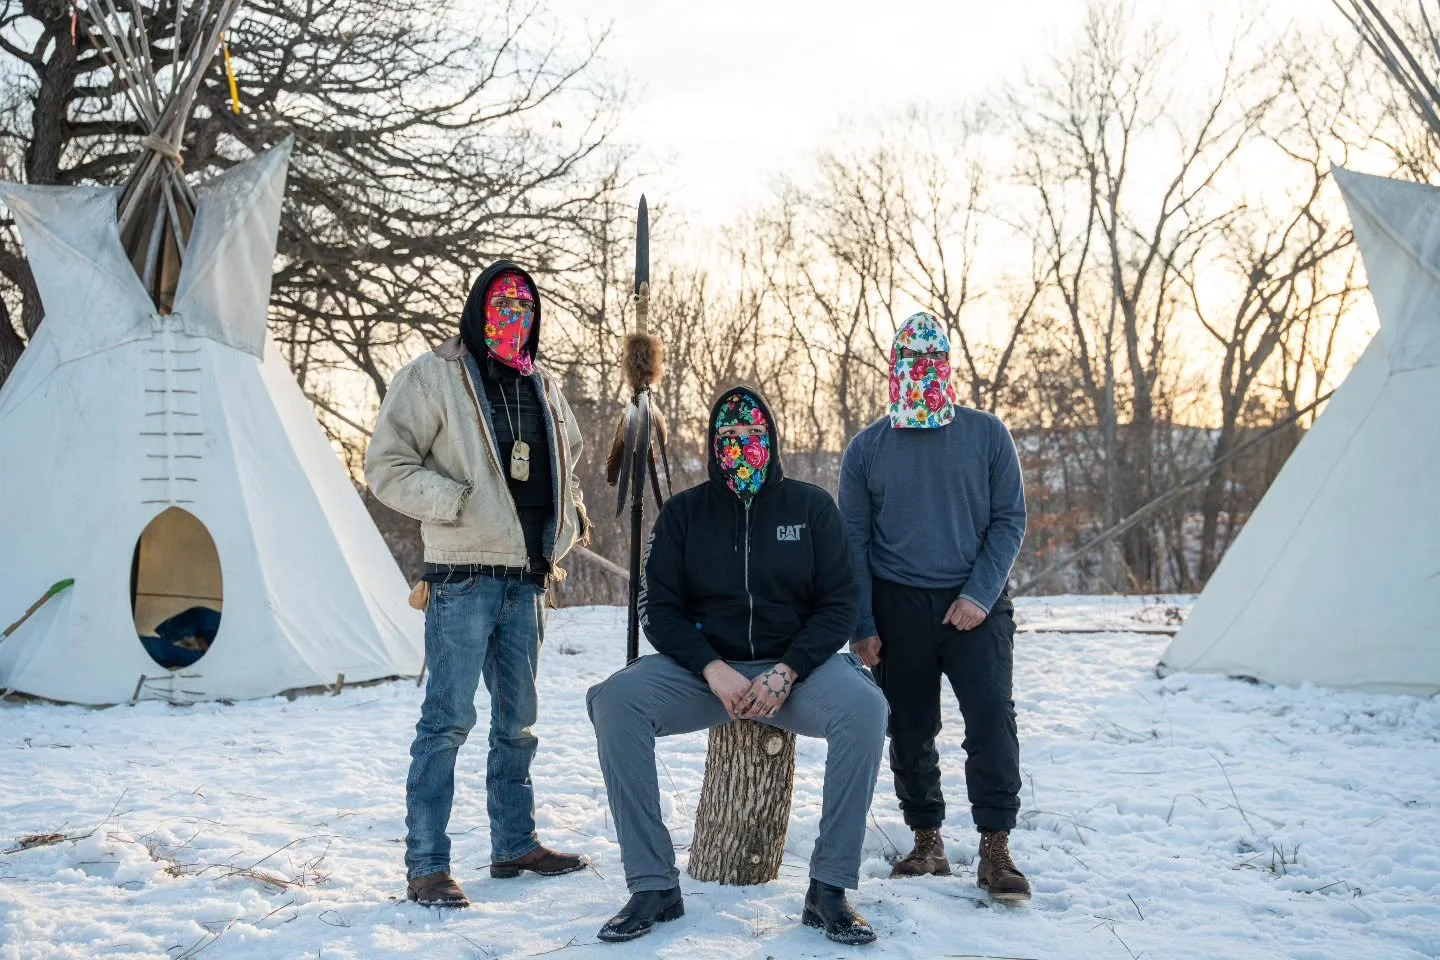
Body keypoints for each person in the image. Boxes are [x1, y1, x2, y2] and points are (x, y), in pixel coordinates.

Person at [586, 387, 888, 945]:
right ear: (711, 442)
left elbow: (839, 602)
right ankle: (653, 884)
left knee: (867, 707)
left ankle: (829, 888)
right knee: (614, 701)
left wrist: (789, 669)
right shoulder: (683, 513)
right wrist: (712, 668)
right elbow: (657, 608)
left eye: (752, 435)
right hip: (707, 674)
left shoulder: (811, 506)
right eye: (728, 436)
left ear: (770, 438)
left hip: (799, 675)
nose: (741, 445)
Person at [366, 260, 592, 908]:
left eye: (524, 305)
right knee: (447, 722)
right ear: (477, 307)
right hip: (463, 578)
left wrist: (568, 524)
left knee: (518, 724)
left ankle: (513, 844)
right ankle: (427, 866)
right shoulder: (432, 376)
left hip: (526, 582)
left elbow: (568, 465)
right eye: (501, 302)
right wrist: (455, 500)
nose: (513, 315)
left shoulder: (544, 384)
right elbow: (386, 465)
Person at [838, 311, 1030, 902]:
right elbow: (853, 545)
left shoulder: (987, 434)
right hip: (898, 606)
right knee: (911, 726)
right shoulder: (868, 447)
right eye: (908, 364)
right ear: (892, 369)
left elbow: (1008, 519)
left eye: (930, 363)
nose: (919, 373)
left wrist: (979, 594)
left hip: (976, 603)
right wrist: (863, 626)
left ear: (946, 367)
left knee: (991, 720)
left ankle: (996, 848)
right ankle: (927, 841)